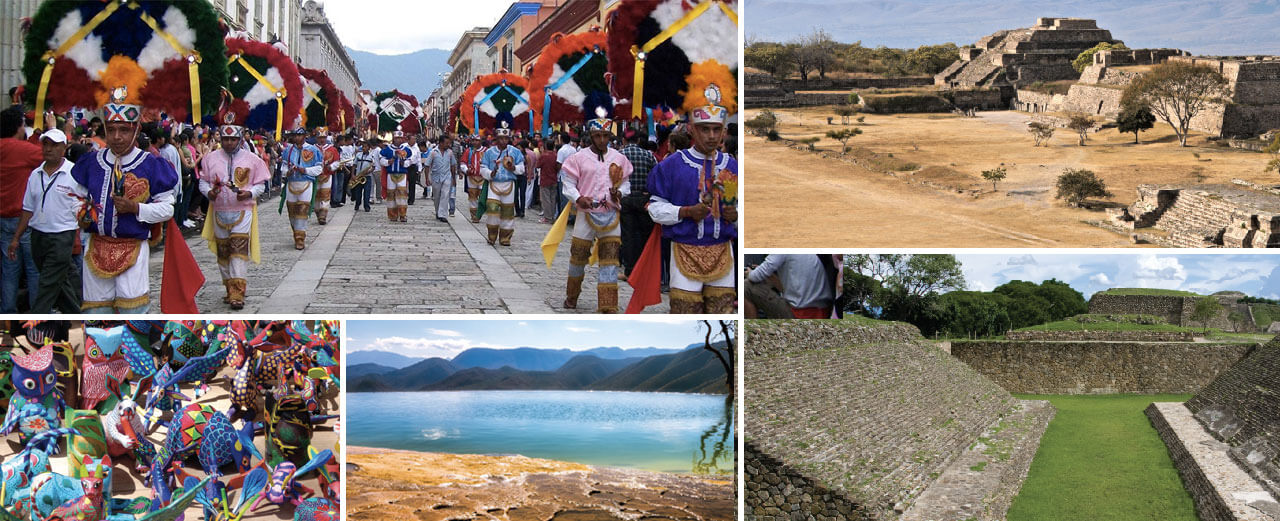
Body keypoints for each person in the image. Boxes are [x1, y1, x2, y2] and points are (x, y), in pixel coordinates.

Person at [68, 86, 179, 313]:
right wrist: (81, 212)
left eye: (124, 130)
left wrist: (136, 208)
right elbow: (76, 196)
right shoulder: (92, 162)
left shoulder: (150, 164)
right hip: (96, 246)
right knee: (96, 312)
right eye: (111, 129)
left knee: (133, 311)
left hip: (133, 248)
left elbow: (168, 208)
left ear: (136, 130)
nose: (117, 137)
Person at [644, 85, 738, 314]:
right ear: (691, 129)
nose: (711, 136)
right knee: (685, 312)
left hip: (723, 251)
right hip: (684, 250)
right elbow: (654, 208)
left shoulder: (732, 166)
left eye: (716, 130)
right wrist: (685, 212)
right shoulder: (672, 165)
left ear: (724, 131)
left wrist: (736, 215)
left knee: (723, 316)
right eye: (704, 129)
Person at [198, 107, 270, 310]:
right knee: (223, 253)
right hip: (219, 211)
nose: (229, 143)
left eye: (232, 140)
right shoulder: (210, 158)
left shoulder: (252, 160)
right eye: (225, 140)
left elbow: (261, 185)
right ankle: (229, 288)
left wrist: (249, 193)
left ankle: (238, 292)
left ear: (240, 139)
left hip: (243, 211)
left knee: (238, 251)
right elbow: (203, 182)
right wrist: (208, 193)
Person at [560, 115, 632, 312]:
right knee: (577, 258)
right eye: (598, 136)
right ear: (591, 136)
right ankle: (571, 296)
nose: (602, 140)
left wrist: (620, 193)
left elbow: (626, 183)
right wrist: (577, 197)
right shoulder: (578, 158)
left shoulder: (619, 159)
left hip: (611, 214)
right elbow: (568, 183)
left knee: (610, 260)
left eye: (606, 136)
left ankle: (608, 305)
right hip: (586, 214)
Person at [7, 129, 80, 313]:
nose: (48, 149)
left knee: (47, 283)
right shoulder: (35, 174)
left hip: (62, 235)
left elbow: (84, 205)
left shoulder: (74, 173)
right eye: (45, 144)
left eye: (54, 145)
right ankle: (77, 313)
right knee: (58, 280)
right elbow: (27, 209)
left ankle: (35, 319)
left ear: (64, 147)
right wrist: (16, 238)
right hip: (38, 235)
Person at [0, 106, 43, 312]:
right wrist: (41, 133)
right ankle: (37, 314)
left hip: (2, 218)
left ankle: (7, 311)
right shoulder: (21, 149)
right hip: (23, 219)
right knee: (33, 269)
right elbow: (49, 155)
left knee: (9, 269)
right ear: (19, 127)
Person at [745, 254, 836, 318]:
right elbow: (788, 289)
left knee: (746, 286)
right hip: (822, 312)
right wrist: (770, 276)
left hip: (800, 315)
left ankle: (753, 333)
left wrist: (749, 273)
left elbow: (754, 277)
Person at [619, 130, 657, 279]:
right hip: (643, 197)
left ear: (624, 140)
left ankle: (630, 270)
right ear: (639, 140)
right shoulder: (649, 155)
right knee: (643, 235)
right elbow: (655, 175)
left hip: (626, 197)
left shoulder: (620, 155)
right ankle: (644, 269)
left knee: (628, 235)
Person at [479, 123, 524, 246]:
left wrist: (513, 168)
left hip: (509, 184)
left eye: (506, 138)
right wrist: (490, 173)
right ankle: (492, 235)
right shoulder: (489, 152)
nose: (503, 141)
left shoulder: (515, 152)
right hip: (494, 184)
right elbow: (483, 168)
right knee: (492, 209)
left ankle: (505, 237)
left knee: (508, 212)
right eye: (501, 138)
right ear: (496, 139)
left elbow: (522, 168)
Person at [280, 128, 322, 249]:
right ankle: (296, 232)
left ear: (305, 136)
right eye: (295, 135)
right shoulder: (288, 150)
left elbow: (318, 169)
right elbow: (283, 167)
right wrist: (287, 172)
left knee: (302, 210)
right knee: (292, 212)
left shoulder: (314, 150)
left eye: (299, 135)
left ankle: (300, 238)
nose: (297, 138)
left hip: (306, 183)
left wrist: (305, 170)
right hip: (291, 183)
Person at [379, 130, 413, 222]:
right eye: (397, 138)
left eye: (400, 138)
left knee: (402, 195)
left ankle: (402, 215)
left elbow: (410, 161)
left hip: (402, 174)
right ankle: (392, 215)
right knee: (391, 195)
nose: (399, 140)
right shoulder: (387, 150)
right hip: (391, 175)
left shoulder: (406, 150)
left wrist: (404, 162)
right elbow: (381, 159)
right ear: (393, 139)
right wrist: (389, 162)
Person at [424, 133, 458, 223]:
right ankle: (438, 212)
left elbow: (453, 165)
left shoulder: (450, 153)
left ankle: (442, 214)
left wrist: (454, 178)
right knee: (437, 196)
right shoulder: (433, 153)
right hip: (436, 177)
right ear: (441, 143)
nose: (448, 145)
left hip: (447, 176)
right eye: (447, 143)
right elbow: (427, 165)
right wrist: (427, 178)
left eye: (449, 143)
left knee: (445, 195)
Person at [349, 137, 379, 213]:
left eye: (366, 147)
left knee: (367, 192)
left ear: (369, 148)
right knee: (358, 192)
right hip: (358, 176)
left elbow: (373, 166)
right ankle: (357, 204)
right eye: (363, 147)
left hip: (367, 177)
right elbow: (354, 165)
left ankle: (366, 206)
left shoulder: (371, 156)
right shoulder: (358, 155)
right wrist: (353, 175)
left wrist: (369, 171)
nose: (364, 148)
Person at [461, 134, 486, 222]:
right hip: (471, 177)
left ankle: (480, 213)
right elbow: (463, 163)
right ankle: (474, 215)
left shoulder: (486, 151)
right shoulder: (468, 151)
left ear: (481, 141)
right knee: (472, 197)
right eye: (474, 140)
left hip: (483, 178)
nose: (475, 142)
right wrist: (466, 170)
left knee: (483, 197)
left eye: (477, 140)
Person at [537, 139, 559, 224]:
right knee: (553, 199)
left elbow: (538, 165)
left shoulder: (544, 155)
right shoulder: (556, 155)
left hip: (545, 179)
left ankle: (547, 217)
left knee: (546, 199)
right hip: (554, 179)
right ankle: (552, 216)